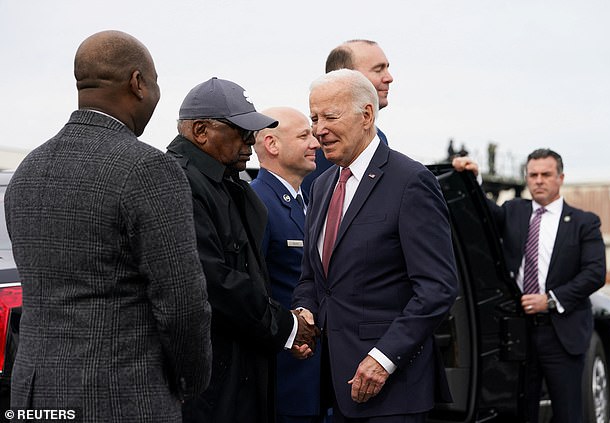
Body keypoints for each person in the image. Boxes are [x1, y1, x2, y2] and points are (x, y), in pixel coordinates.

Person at [4, 30, 212, 422]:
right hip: (120, 396)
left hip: (33, 396)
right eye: (155, 84)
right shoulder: (148, 168)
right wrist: (190, 383)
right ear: (137, 83)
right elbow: (183, 305)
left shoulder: (28, 170)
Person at [292, 69, 458, 423]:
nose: (319, 129)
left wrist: (383, 359)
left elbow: (437, 288)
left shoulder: (411, 181)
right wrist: (305, 309)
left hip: (394, 392)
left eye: (330, 117)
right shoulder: (320, 187)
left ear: (366, 115)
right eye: (314, 118)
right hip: (336, 387)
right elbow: (313, 277)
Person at [165, 78, 319, 423]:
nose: (250, 139)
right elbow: (213, 280)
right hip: (210, 380)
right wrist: (286, 327)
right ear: (201, 130)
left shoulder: (228, 183)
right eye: (239, 130)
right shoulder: (180, 182)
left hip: (239, 370)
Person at [452, 149, 606, 423]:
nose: (538, 181)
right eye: (533, 175)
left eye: (546, 175)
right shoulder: (514, 211)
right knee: (521, 413)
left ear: (560, 178)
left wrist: (550, 299)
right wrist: (472, 181)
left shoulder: (584, 222)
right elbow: (482, 217)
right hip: (517, 335)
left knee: (569, 412)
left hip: (561, 333)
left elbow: (595, 273)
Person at [251, 107, 324, 423]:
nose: (316, 143)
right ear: (272, 144)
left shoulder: (303, 201)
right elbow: (253, 292)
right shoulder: (259, 204)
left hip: (311, 378)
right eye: (304, 135)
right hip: (286, 378)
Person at [301, 40, 393, 194]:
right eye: (378, 70)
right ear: (345, 76)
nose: (389, 78)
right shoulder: (315, 145)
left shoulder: (378, 138)